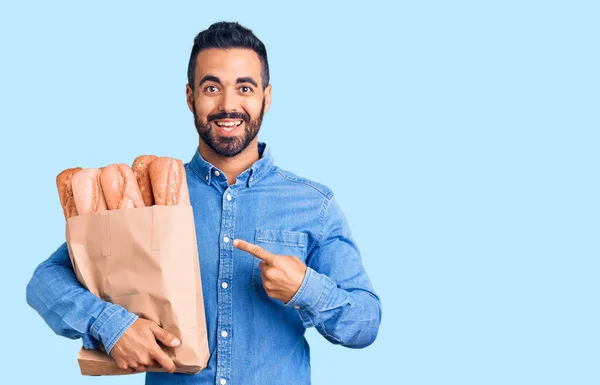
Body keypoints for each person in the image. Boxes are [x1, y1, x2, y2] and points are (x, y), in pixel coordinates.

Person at [26, 21, 381, 384]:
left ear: (267, 97)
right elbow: (45, 281)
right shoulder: (145, 196)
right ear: (190, 96)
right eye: (212, 87)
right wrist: (112, 325)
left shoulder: (312, 204)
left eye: (245, 87)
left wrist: (305, 289)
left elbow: (366, 322)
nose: (229, 105)